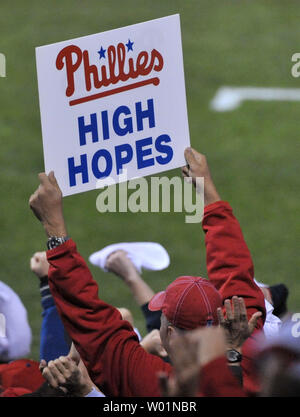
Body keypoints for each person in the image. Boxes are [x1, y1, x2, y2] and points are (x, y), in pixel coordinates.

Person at [28, 147, 265, 396]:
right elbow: (234, 270)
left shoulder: (155, 386)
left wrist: (53, 225)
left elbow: (94, 324)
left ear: (171, 334)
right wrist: (208, 194)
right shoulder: (251, 349)